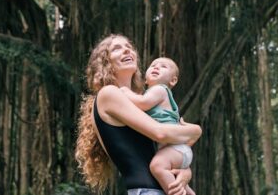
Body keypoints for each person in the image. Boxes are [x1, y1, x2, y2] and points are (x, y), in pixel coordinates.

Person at [75, 35, 202, 195]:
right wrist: (196, 131)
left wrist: (185, 172)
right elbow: (161, 133)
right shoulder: (109, 94)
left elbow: (163, 152)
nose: (127, 49)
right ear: (105, 63)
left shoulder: (142, 103)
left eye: (129, 46)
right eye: (116, 48)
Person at [119, 57, 193, 194]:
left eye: (163, 66)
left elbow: (142, 103)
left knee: (157, 166)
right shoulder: (154, 94)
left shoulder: (160, 90)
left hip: (175, 148)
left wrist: (125, 92)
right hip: (176, 151)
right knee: (176, 179)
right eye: (153, 65)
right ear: (145, 80)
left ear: (173, 80)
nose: (156, 67)